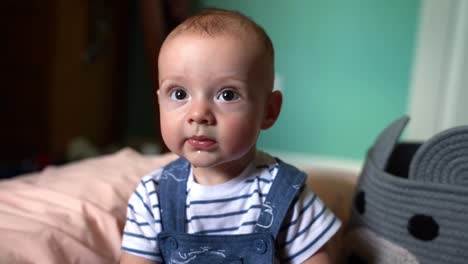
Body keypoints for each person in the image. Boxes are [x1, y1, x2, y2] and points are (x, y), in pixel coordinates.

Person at [120, 8, 341, 264]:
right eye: (180, 94)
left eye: (227, 95)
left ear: (269, 111)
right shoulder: (152, 196)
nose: (199, 114)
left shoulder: (286, 193)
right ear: (159, 102)